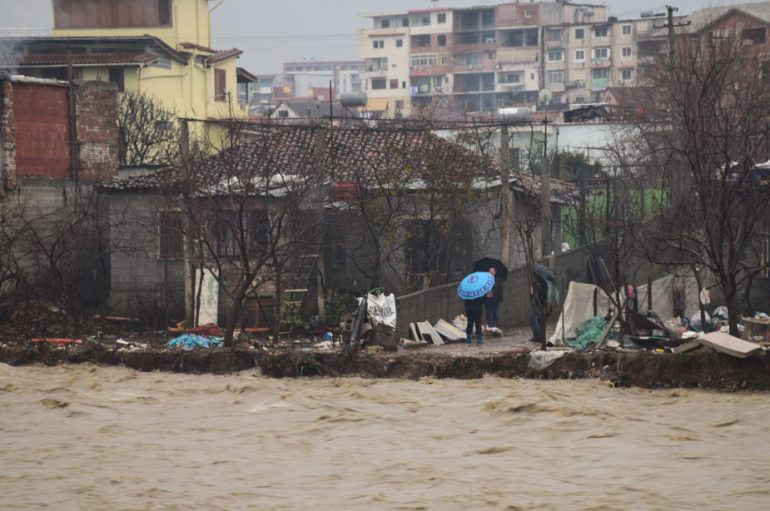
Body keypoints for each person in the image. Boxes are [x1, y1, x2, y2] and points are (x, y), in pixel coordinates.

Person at [484, 267, 502, 331]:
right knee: (488, 312)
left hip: (495, 298)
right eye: (490, 271)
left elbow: (500, 290)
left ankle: (494, 324)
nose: (491, 272)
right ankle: (490, 324)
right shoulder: (485, 280)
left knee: (495, 312)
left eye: (493, 271)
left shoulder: (497, 279)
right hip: (487, 298)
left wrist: (500, 299)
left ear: (495, 272)